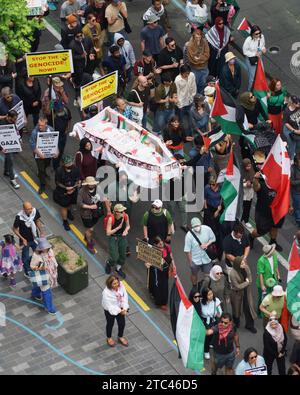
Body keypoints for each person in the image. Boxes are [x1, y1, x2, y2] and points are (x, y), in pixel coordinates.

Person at [250, 159, 284, 252]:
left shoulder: (277, 182)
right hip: (263, 213)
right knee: (260, 231)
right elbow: (256, 187)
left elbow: (284, 193)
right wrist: (255, 179)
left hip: (275, 211)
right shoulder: (262, 183)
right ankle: (251, 236)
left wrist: (288, 206)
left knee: (275, 226)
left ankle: (273, 242)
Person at [77, 176, 109, 254]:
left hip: (96, 213)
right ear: (87, 184)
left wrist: (108, 210)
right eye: (90, 184)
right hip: (86, 214)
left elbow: (103, 198)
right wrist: (90, 206)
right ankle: (89, 243)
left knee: (91, 228)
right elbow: (79, 203)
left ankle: (87, 236)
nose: (92, 185)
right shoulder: (82, 191)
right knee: (90, 230)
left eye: (93, 183)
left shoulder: (98, 188)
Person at [13, 202, 43, 278]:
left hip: (35, 238)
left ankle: (37, 267)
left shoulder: (35, 211)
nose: (30, 210)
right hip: (25, 241)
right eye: (28, 209)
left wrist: (41, 232)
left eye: (31, 208)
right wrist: (23, 239)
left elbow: (38, 221)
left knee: (39, 253)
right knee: (25, 257)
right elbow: (14, 229)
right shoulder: (19, 217)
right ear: (24, 209)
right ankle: (27, 271)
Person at [184, 217, 216, 287]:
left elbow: (213, 238)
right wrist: (191, 262)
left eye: (198, 225)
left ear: (200, 224)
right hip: (195, 260)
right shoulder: (189, 235)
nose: (197, 227)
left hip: (206, 258)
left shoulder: (207, 229)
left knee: (208, 275)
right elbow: (187, 250)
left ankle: (206, 288)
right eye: (195, 226)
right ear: (192, 226)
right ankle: (194, 287)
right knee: (194, 274)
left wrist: (206, 244)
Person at [145, 236, 174, 310]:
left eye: (161, 241)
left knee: (165, 285)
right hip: (157, 271)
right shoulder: (152, 250)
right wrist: (148, 264)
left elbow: (171, 257)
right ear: (155, 244)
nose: (161, 243)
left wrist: (173, 266)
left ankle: (163, 301)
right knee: (158, 286)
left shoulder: (167, 247)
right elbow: (147, 262)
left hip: (165, 270)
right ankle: (159, 302)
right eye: (158, 243)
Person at [29, 117, 57, 195]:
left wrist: (56, 151)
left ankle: (43, 173)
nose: (40, 127)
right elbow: (32, 145)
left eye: (41, 125)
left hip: (48, 154)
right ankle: (42, 184)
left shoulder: (51, 130)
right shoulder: (35, 132)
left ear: (46, 124)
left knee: (46, 165)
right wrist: (39, 154)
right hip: (38, 155)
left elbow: (54, 141)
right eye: (39, 125)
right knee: (41, 169)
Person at [30, 238, 57, 315]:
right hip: (43, 274)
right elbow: (32, 266)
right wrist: (40, 268)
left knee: (39, 285)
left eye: (46, 247)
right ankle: (49, 307)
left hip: (51, 273)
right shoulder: (36, 256)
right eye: (43, 247)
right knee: (47, 292)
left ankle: (35, 293)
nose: (46, 249)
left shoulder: (50, 251)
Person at [229, 256, 257, 333]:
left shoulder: (246, 267)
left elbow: (250, 279)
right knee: (236, 309)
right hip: (236, 293)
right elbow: (237, 286)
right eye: (241, 264)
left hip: (246, 292)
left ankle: (250, 325)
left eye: (244, 262)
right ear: (237, 264)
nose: (244, 264)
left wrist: (247, 282)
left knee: (248, 308)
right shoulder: (232, 273)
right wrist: (246, 282)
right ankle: (236, 322)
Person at [53, 155, 80, 231]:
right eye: (68, 163)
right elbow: (57, 182)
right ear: (64, 164)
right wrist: (66, 188)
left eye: (71, 162)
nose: (70, 164)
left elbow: (78, 179)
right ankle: (65, 221)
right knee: (64, 206)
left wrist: (75, 187)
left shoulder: (76, 169)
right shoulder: (59, 171)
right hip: (63, 192)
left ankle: (68, 212)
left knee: (70, 203)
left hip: (73, 191)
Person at [102, 274, 129, 347]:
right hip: (110, 310)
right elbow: (110, 306)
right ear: (110, 284)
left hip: (120, 308)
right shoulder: (106, 293)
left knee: (122, 323)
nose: (117, 285)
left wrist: (124, 308)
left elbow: (124, 296)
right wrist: (121, 311)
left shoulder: (121, 285)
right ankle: (109, 338)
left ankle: (120, 336)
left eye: (117, 282)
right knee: (110, 323)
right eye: (114, 283)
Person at [105, 204, 130, 279]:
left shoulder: (125, 216)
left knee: (123, 254)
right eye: (121, 211)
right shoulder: (111, 219)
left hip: (122, 236)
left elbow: (128, 226)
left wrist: (126, 230)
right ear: (116, 212)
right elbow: (108, 232)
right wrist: (118, 228)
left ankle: (118, 268)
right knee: (114, 256)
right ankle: (109, 263)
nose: (123, 212)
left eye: (123, 211)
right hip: (113, 237)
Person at [183, 29, 210, 94]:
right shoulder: (190, 45)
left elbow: (207, 55)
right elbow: (192, 60)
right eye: (197, 37)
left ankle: (200, 96)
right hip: (195, 69)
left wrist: (199, 58)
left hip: (204, 68)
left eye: (199, 37)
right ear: (193, 36)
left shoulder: (204, 42)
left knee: (202, 84)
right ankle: (195, 97)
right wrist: (202, 59)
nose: (198, 38)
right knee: (194, 85)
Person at [256, 244, 281, 312]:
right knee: (263, 297)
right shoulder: (261, 260)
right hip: (265, 281)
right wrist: (262, 285)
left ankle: (270, 309)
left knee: (273, 294)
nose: (274, 251)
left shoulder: (274, 255)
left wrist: (278, 275)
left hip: (273, 278)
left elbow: (276, 266)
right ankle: (260, 311)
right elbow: (260, 273)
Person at [200, 287, 222, 360]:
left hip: (213, 320)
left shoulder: (216, 301)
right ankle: (206, 351)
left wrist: (218, 312)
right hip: (204, 321)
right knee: (207, 336)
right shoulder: (201, 302)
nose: (211, 296)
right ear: (204, 295)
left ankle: (210, 343)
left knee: (213, 334)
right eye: (208, 294)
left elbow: (219, 313)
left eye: (211, 293)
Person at [0, 110, 20, 189]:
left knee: (9, 159)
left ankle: (7, 172)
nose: (15, 121)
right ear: (8, 117)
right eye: (13, 119)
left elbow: (16, 130)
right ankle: (12, 179)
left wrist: (19, 140)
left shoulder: (13, 122)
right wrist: (1, 148)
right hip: (2, 145)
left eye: (16, 119)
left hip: (9, 144)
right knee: (10, 159)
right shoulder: (1, 124)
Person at [242, 25, 267, 90]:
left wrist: (263, 49)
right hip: (250, 59)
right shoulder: (248, 40)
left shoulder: (262, 36)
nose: (258, 35)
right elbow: (245, 51)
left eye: (259, 33)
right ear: (252, 33)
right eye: (256, 34)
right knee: (252, 78)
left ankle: (258, 89)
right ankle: (250, 92)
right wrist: (254, 54)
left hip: (258, 58)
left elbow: (262, 45)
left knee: (261, 73)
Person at [203, 177, 222, 258]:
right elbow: (205, 198)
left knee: (216, 229)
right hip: (209, 208)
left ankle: (215, 247)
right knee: (207, 225)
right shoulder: (207, 188)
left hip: (217, 208)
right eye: (210, 184)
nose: (211, 186)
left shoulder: (221, 189)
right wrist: (205, 208)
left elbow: (221, 199)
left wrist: (218, 211)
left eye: (213, 184)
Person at [175, 64, 197, 133]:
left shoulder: (192, 75)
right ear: (181, 73)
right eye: (185, 74)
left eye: (188, 73)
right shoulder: (177, 80)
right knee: (180, 119)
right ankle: (181, 131)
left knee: (191, 117)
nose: (187, 75)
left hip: (190, 101)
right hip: (181, 103)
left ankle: (191, 131)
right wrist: (179, 105)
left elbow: (194, 86)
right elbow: (177, 93)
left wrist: (193, 96)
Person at [51, 101, 72, 171]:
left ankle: (58, 160)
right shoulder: (52, 112)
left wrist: (67, 129)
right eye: (59, 110)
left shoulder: (66, 110)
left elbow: (69, 119)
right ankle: (55, 166)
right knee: (56, 150)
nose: (60, 110)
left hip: (63, 134)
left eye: (61, 109)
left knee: (61, 149)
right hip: (55, 135)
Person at [282, 95, 300, 162]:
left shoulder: (298, 106)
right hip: (289, 130)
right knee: (292, 145)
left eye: (298, 102)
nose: (298, 103)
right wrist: (294, 131)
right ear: (292, 103)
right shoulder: (287, 112)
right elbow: (286, 123)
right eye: (296, 103)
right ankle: (291, 159)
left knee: (298, 143)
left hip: (297, 126)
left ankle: (293, 151)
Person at [241, 158, 254, 226]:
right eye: (247, 166)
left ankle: (246, 220)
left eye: (249, 166)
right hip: (243, 194)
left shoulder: (252, 171)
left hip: (250, 194)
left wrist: (251, 184)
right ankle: (240, 220)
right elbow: (240, 183)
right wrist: (246, 184)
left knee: (247, 208)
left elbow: (254, 180)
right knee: (241, 207)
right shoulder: (241, 172)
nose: (249, 167)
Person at [291, 154, 300, 228]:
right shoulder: (292, 169)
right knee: (297, 207)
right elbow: (292, 182)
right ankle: (298, 221)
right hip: (296, 192)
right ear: (296, 163)